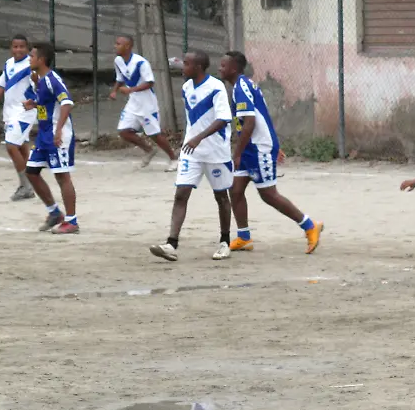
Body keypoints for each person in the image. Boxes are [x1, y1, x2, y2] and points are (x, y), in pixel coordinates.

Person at [221, 50, 324, 254]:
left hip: (257, 148)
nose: (219, 68)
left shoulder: (241, 88)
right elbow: (262, 117)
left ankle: (310, 226)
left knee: (268, 194)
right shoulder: (242, 86)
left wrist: (238, 153)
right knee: (235, 190)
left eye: (223, 66)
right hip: (251, 147)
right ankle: (244, 237)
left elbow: (250, 122)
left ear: (234, 68)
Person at [150, 51, 234, 262]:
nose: (182, 66)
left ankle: (225, 241)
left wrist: (199, 137)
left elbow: (224, 119)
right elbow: (194, 119)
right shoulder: (186, 87)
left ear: (197, 67)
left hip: (216, 152)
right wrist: (191, 139)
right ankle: (171, 243)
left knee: (221, 197)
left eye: (186, 64)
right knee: (181, 194)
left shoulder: (216, 88)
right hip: (192, 153)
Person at [22, 42, 80, 234]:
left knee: (62, 176)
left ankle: (72, 221)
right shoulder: (39, 80)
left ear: (41, 59)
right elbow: (47, 103)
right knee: (31, 171)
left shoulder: (52, 79)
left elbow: (67, 103)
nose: (29, 59)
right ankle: (54, 212)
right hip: (43, 135)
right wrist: (34, 103)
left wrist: (58, 131)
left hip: (57, 135)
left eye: (32, 56)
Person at [0, 34, 37, 201]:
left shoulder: (31, 65)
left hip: (24, 112)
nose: (18, 50)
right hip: (10, 112)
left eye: (21, 47)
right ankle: (30, 185)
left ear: (27, 48)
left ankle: (25, 185)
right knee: (22, 147)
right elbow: (1, 86)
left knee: (11, 146)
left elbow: (38, 86)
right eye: (15, 46)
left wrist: (35, 103)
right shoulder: (8, 64)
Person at [110, 34, 178, 171]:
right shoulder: (118, 60)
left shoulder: (141, 63)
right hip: (133, 103)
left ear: (128, 46)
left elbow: (150, 82)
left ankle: (174, 158)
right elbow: (120, 77)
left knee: (154, 134)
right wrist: (114, 90)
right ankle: (148, 150)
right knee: (123, 131)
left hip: (147, 105)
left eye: (118, 44)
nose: (115, 46)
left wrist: (131, 90)